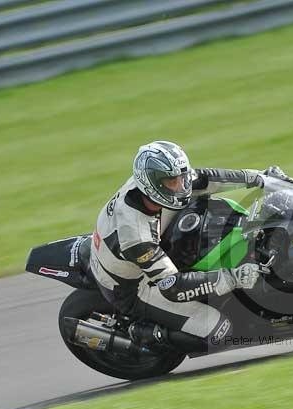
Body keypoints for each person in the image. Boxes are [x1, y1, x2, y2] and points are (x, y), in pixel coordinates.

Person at [89, 140, 281, 355]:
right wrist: (234, 277)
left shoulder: (158, 187)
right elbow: (172, 287)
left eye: (181, 177)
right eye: (173, 181)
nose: (181, 186)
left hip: (151, 243)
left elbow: (206, 179)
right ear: (152, 183)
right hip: (134, 286)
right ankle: (147, 336)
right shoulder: (135, 235)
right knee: (219, 331)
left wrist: (260, 178)